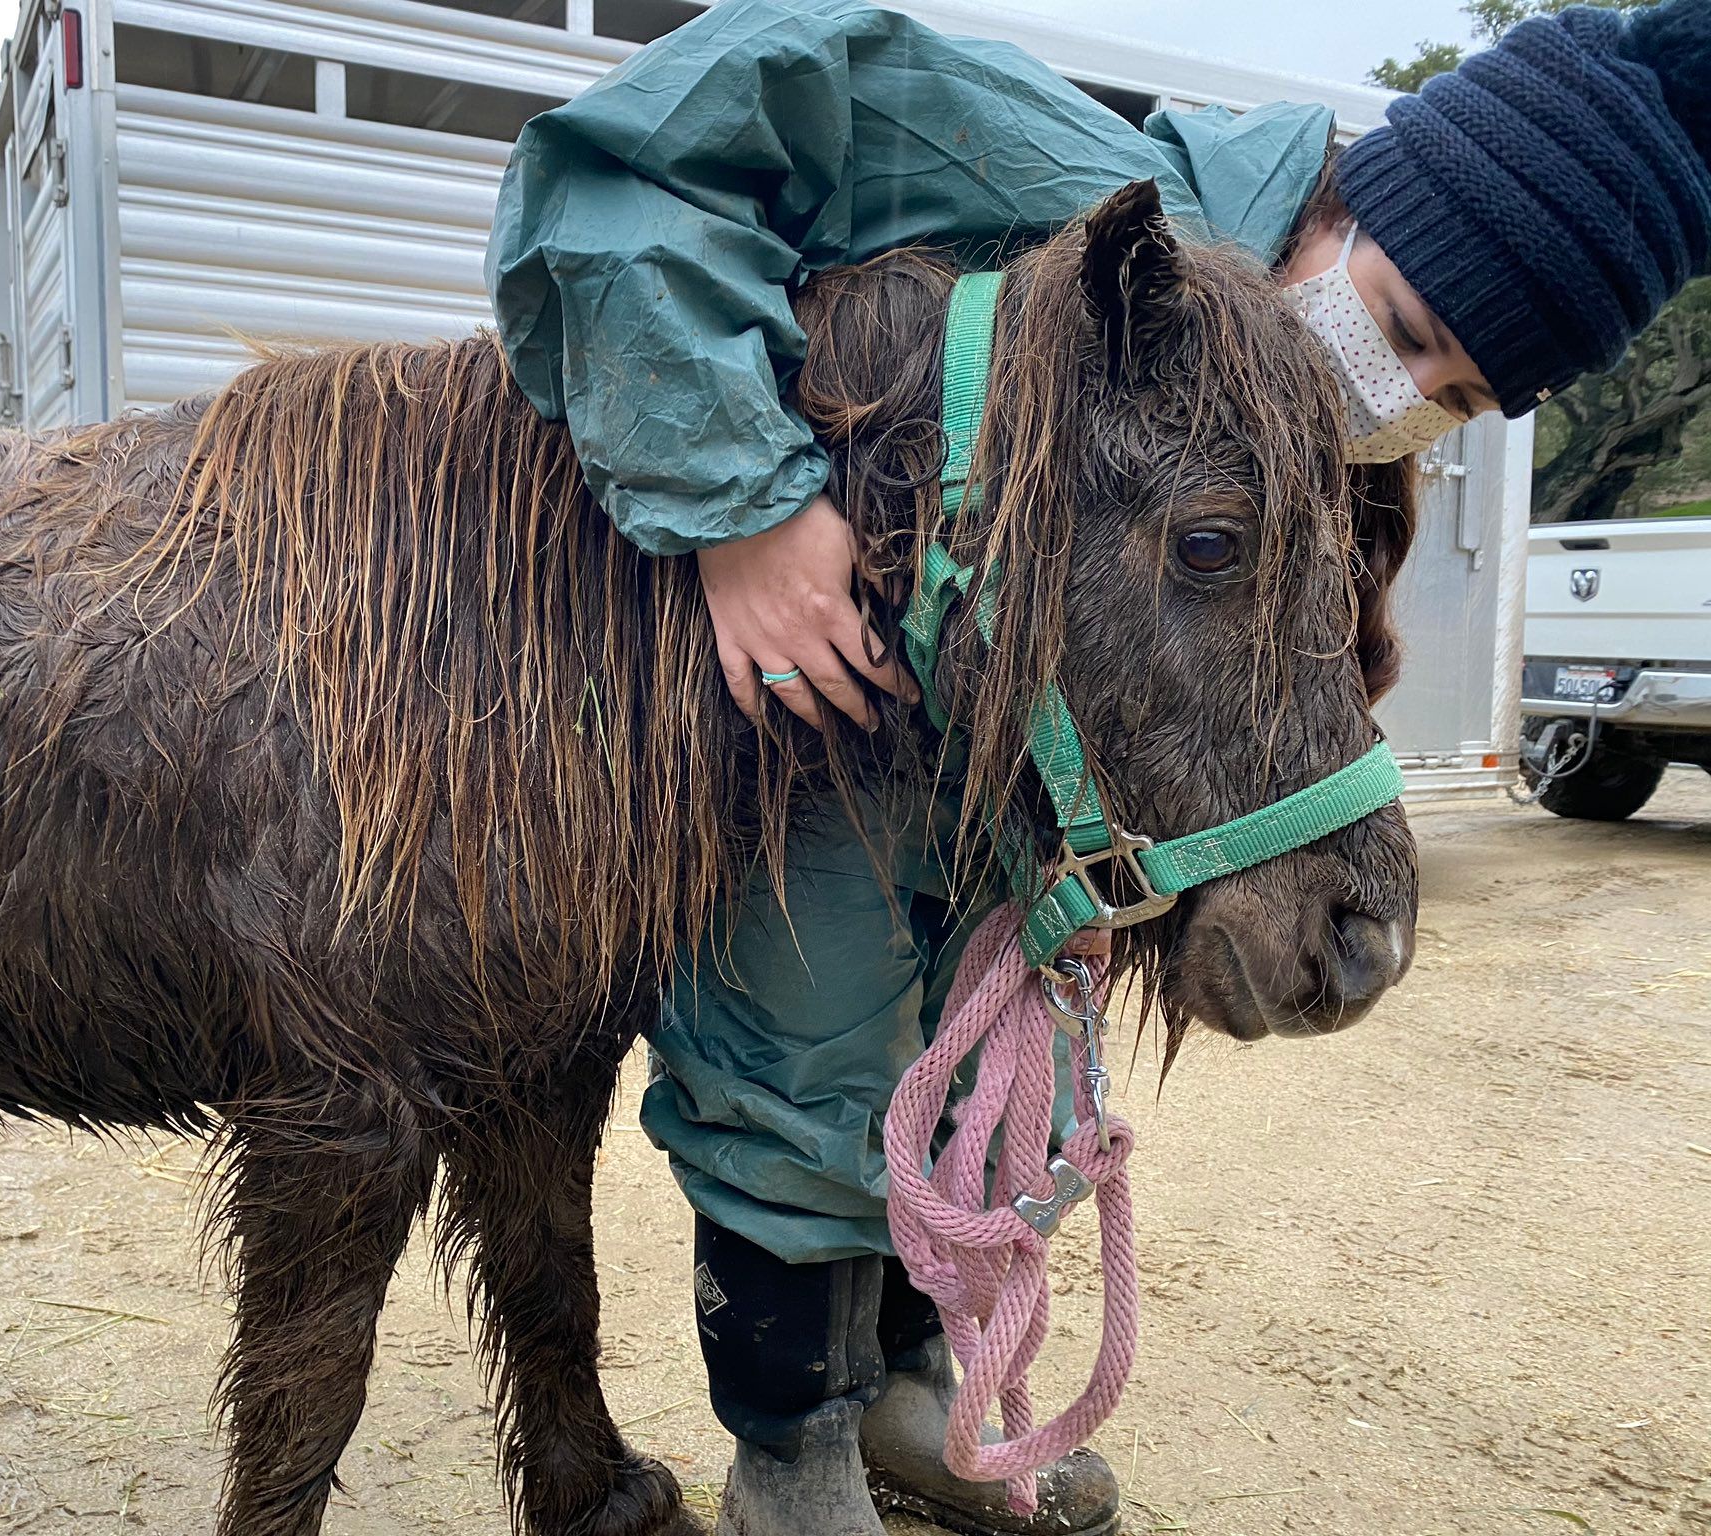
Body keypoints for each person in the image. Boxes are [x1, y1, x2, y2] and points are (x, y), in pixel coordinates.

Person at [487, 1, 1711, 1532]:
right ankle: (792, 1458)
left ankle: (909, 1398)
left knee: (958, 1061)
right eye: (1403, 327)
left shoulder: (1303, 418)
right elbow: (626, 171)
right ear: (1343, 204)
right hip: (816, 702)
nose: (1397, 397)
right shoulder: (1050, 166)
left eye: (1451, 398)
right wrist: (743, 511)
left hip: (998, 772)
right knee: (806, 1053)